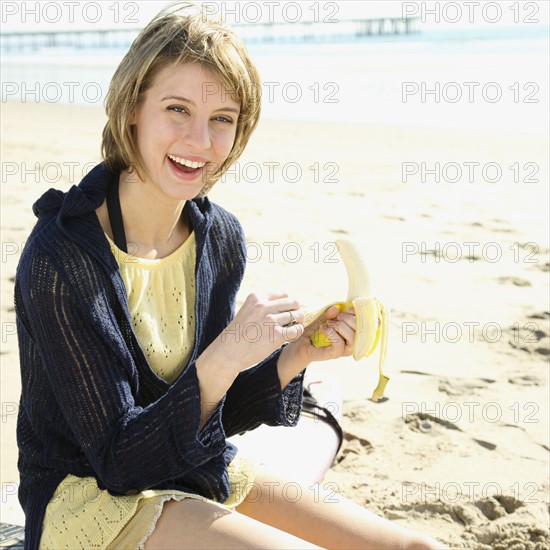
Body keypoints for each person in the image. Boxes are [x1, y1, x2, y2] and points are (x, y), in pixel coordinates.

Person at [14, 3, 446, 549]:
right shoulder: (62, 257)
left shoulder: (219, 237)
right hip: (90, 502)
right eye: (177, 109)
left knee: (415, 547)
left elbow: (211, 416)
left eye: (223, 119)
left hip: (191, 472)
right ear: (131, 110)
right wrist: (228, 352)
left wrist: (295, 356)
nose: (201, 141)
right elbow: (121, 461)